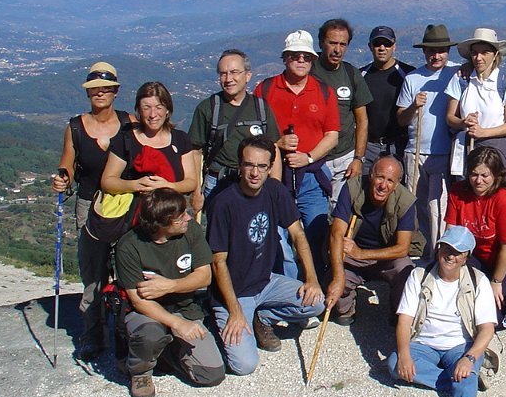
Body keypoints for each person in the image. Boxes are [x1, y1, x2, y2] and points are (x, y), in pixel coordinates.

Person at [207, 137, 324, 375]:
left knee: (316, 302)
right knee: (244, 366)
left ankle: (263, 318)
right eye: (249, 165)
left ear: (270, 167)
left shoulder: (274, 190)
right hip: (235, 293)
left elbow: (298, 235)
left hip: (265, 282)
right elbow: (218, 262)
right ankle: (221, 319)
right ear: (239, 166)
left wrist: (311, 279)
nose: (254, 173)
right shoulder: (223, 203)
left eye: (261, 166)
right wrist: (235, 311)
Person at [51, 61, 131, 359]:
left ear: (115, 91)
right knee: (93, 271)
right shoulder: (75, 127)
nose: (100, 92)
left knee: (128, 266)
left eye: (105, 88)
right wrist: (62, 178)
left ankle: (126, 329)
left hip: (123, 203)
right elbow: (67, 164)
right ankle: (93, 333)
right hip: (89, 204)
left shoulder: (129, 123)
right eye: (94, 88)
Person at [114, 188, 225, 397]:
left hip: (183, 307)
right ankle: (140, 370)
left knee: (211, 374)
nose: (188, 218)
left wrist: (169, 286)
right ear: (163, 224)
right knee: (150, 335)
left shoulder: (190, 230)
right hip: (148, 312)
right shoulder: (129, 246)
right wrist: (177, 324)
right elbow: (138, 300)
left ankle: (165, 351)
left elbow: (204, 277)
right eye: (180, 216)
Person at [388, 225, 497, 397]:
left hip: (460, 345)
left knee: (466, 365)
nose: (451, 256)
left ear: (466, 257)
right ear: (438, 249)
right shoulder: (418, 276)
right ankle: (467, 380)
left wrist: (469, 357)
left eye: (458, 252)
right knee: (394, 364)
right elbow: (404, 320)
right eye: (446, 248)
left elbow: (486, 329)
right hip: (422, 343)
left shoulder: (478, 281)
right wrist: (404, 355)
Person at [254, 30, 340, 275]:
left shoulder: (324, 92)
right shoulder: (266, 89)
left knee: (316, 234)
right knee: (279, 237)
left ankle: (315, 286)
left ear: (313, 60)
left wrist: (309, 157)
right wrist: (277, 144)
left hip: (311, 177)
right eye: (295, 56)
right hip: (275, 176)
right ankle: (290, 291)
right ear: (285, 58)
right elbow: (254, 133)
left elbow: (332, 135)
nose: (301, 60)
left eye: (306, 56)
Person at [325, 155, 421, 326]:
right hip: (352, 253)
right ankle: (346, 307)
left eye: (390, 181)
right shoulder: (352, 188)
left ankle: (399, 311)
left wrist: (362, 253)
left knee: (405, 269)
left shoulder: (405, 201)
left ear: (397, 184)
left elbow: (402, 248)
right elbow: (336, 234)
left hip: (385, 257)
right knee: (334, 271)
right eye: (380, 177)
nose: (383, 185)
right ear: (371, 175)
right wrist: (338, 277)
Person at [396, 24, 460, 262]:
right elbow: (401, 119)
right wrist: (414, 105)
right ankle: (425, 252)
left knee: (438, 208)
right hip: (414, 152)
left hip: (443, 153)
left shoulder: (457, 73)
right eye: (432, 50)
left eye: (441, 50)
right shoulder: (413, 78)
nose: (436, 55)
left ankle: (439, 255)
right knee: (419, 207)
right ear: (424, 52)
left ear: (448, 51)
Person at [188, 49, 280, 212]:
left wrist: (275, 187)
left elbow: (274, 148)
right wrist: (196, 191)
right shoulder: (208, 108)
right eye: (223, 74)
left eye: (234, 72)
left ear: (248, 75)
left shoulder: (261, 108)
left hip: (255, 182)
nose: (228, 79)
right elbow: (195, 152)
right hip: (218, 183)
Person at [445, 147, 506, 312]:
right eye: (474, 174)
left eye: (485, 175)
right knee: (459, 299)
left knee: (494, 312)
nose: (478, 181)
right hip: (473, 255)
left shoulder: (504, 200)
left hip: (504, 258)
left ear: (495, 175)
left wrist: (496, 281)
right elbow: (451, 233)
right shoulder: (458, 191)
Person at [310, 18, 373, 206]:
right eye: (332, 43)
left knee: (341, 213)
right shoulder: (308, 73)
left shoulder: (351, 74)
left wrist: (358, 159)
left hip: (345, 157)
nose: (337, 50)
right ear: (321, 43)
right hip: (316, 158)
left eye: (342, 44)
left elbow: (362, 121)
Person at [100, 81, 197, 199]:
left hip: (170, 212)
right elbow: (107, 181)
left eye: (158, 107)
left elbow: (191, 181)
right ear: (139, 110)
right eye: (146, 108)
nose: (153, 114)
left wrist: (168, 186)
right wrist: (135, 185)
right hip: (133, 212)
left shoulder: (181, 139)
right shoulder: (125, 140)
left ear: (167, 110)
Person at [445, 27, 506, 176]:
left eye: (484, 52)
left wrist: (484, 132)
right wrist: (463, 123)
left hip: (496, 151)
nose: (478, 58)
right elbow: (449, 117)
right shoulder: (460, 79)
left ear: (495, 54)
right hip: (466, 149)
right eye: (474, 53)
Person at [360, 25, 414, 170]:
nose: (382, 48)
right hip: (368, 146)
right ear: (370, 46)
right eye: (377, 44)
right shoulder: (360, 76)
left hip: (397, 145)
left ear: (394, 46)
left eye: (387, 44)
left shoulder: (409, 75)